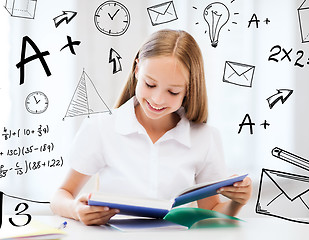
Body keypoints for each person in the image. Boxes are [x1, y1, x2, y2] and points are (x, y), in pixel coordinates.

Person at [50, 29, 252, 226]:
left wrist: (236, 202)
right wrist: (76, 210)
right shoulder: (101, 128)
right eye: (150, 84)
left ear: (189, 89)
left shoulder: (205, 138)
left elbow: (212, 215)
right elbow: (60, 196)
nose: (157, 99)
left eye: (173, 92)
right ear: (137, 69)